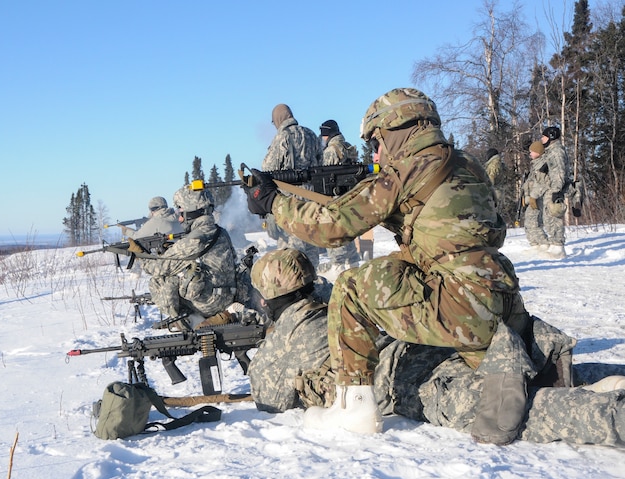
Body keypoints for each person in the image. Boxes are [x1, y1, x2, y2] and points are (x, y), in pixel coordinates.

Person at [244, 88, 533, 443]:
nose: (376, 153)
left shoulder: (404, 172)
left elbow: (331, 228)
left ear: (396, 131)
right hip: (503, 301)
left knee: (350, 287)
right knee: (399, 266)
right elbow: (484, 231)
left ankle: (354, 407)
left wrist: (273, 203)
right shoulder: (466, 164)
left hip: (461, 309)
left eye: (377, 141)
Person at [248, 249, 625, 446]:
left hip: (416, 380)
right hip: (435, 344)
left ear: (267, 298)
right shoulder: (332, 296)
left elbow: (269, 397)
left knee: (516, 412)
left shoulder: (292, 329)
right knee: (557, 376)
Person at [134, 186, 239, 333]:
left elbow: (157, 268)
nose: (180, 218)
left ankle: (189, 323)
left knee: (158, 281)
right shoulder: (221, 232)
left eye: (181, 211)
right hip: (228, 296)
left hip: (209, 304)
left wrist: (140, 255)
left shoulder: (194, 239)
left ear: (192, 212)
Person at [261, 104, 323, 269]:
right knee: (311, 258)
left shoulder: (282, 138)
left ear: (278, 120)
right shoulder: (311, 134)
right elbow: (321, 163)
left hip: (291, 206)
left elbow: (267, 168)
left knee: (290, 263)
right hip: (312, 204)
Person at [318, 120, 362, 275]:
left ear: (328, 134)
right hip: (350, 198)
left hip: (336, 199)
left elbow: (326, 175)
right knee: (349, 237)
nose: (321, 138)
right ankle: (355, 270)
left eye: (323, 134)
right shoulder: (347, 146)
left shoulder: (331, 150)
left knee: (336, 239)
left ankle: (340, 274)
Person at [538, 126, 570, 258]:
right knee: (548, 216)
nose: (542, 139)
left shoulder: (556, 151)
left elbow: (559, 172)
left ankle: (558, 246)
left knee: (554, 215)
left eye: (544, 137)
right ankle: (554, 243)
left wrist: (556, 190)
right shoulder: (550, 151)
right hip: (550, 187)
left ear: (551, 136)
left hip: (554, 188)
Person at [521, 141, 555, 256]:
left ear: (538, 152)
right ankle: (535, 243)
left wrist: (533, 196)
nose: (530, 153)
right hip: (532, 197)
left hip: (538, 197)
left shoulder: (542, 165)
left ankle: (543, 243)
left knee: (534, 220)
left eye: (532, 151)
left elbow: (541, 183)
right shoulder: (535, 164)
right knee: (529, 220)